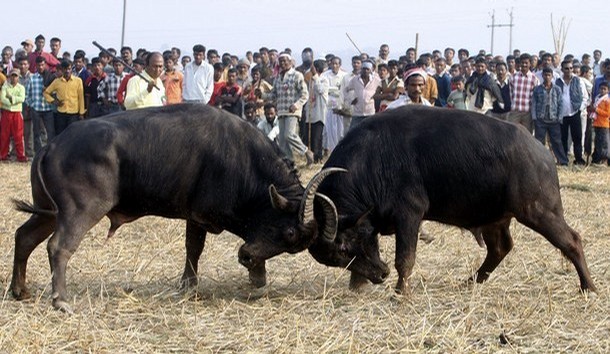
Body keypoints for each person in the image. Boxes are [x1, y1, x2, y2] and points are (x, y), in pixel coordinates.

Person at [262, 52, 313, 165]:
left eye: (285, 61)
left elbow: (305, 94)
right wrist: (261, 95)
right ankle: (290, 163)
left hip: (292, 111)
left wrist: (297, 105)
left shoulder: (297, 75)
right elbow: (273, 95)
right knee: (283, 141)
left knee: (289, 135)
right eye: (281, 61)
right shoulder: (278, 78)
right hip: (281, 111)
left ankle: (306, 151)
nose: (283, 63)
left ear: (290, 62)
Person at [531, 67, 568, 166]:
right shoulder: (537, 89)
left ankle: (563, 161)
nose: (547, 77)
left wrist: (559, 117)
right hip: (540, 119)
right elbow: (534, 103)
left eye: (549, 75)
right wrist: (534, 117)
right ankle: (538, 161)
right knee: (539, 141)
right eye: (545, 75)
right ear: (542, 76)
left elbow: (560, 104)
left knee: (556, 141)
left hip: (553, 119)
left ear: (552, 76)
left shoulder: (557, 89)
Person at [43, 60, 85, 134]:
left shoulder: (78, 81)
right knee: (61, 134)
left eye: (69, 69)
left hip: (73, 113)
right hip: (61, 112)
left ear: (71, 69)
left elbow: (81, 98)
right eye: (65, 69)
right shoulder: (57, 81)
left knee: (73, 134)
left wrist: (81, 113)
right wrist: (53, 101)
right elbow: (46, 93)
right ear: (62, 70)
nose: (67, 71)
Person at [556, 60, 585, 165]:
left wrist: (579, 108)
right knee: (562, 138)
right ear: (562, 69)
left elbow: (585, 97)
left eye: (571, 68)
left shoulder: (578, 80)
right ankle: (563, 160)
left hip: (575, 113)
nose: (569, 70)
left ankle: (579, 160)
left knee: (577, 138)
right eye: (566, 68)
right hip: (562, 115)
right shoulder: (557, 81)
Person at [26, 56, 55, 152]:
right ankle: (38, 152)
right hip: (36, 108)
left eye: (42, 65)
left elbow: (55, 92)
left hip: (48, 108)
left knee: (50, 131)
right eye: (39, 65)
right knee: (36, 132)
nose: (41, 67)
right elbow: (27, 94)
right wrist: (31, 104)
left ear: (45, 65)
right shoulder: (32, 78)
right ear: (36, 66)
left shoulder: (51, 77)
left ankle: (50, 152)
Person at [303, 59, 329, 164]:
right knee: (309, 136)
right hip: (310, 113)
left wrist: (315, 76)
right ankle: (311, 157)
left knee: (316, 138)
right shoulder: (310, 80)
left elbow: (320, 90)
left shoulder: (323, 79)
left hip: (319, 113)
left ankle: (318, 157)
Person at [0, 69, 27, 162]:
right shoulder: (5, 86)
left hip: (17, 113)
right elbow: (2, 99)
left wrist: (11, 98)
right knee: (4, 135)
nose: (14, 78)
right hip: (7, 112)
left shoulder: (21, 87)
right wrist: (13, 101)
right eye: (12, 75)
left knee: (19, 135)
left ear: (18, 77)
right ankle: (3, 155)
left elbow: (22, 98)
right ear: (9, 76)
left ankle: (20, 156)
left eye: (15, 76)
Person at [344, 60, 381, 128]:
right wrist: (351, 100)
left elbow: (381, 89)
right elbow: (346, 90)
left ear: (371, 70)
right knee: (353, 132)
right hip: (357, 113)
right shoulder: (355, 79)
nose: (365, 71)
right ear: (361, 69)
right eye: (364, 69)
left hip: (370, 112)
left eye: (367, 69)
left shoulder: (375, 80)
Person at [509, 53, 538, 132]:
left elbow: (534, 97)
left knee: (527, 135)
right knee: (510, 133)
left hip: (527, 113)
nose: (524, 65)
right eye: (522, 63)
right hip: (515, 111)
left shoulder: (534, 79)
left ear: (530, 64)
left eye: (526, 63)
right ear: (519, 63)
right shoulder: (513, 77)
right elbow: (511, 94)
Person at [591, 82, 609, 165]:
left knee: (604, 143)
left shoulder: (607, 100)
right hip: (596, 123)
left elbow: (607, 114)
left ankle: (604, 160)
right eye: (601, 88)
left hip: (604, 124)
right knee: (597, 142)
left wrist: (597, 110)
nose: (602, 90)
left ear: (607, 90)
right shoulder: (597, 98)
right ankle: (597, 159)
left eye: (604, 89)